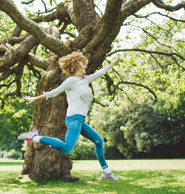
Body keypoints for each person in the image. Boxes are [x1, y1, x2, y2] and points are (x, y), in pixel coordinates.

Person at [17, 51, 121, 181]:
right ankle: (36, 137)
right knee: (67, 148)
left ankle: (106, 172)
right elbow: (55, 92)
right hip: (74, 119)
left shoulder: (85, 80)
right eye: (82, 63)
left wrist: (115, 60)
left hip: (80, 120)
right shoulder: (71, 81)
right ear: (76, 65)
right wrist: (35, 98)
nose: (85, 65)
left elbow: (101, 72)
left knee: (98, 141)